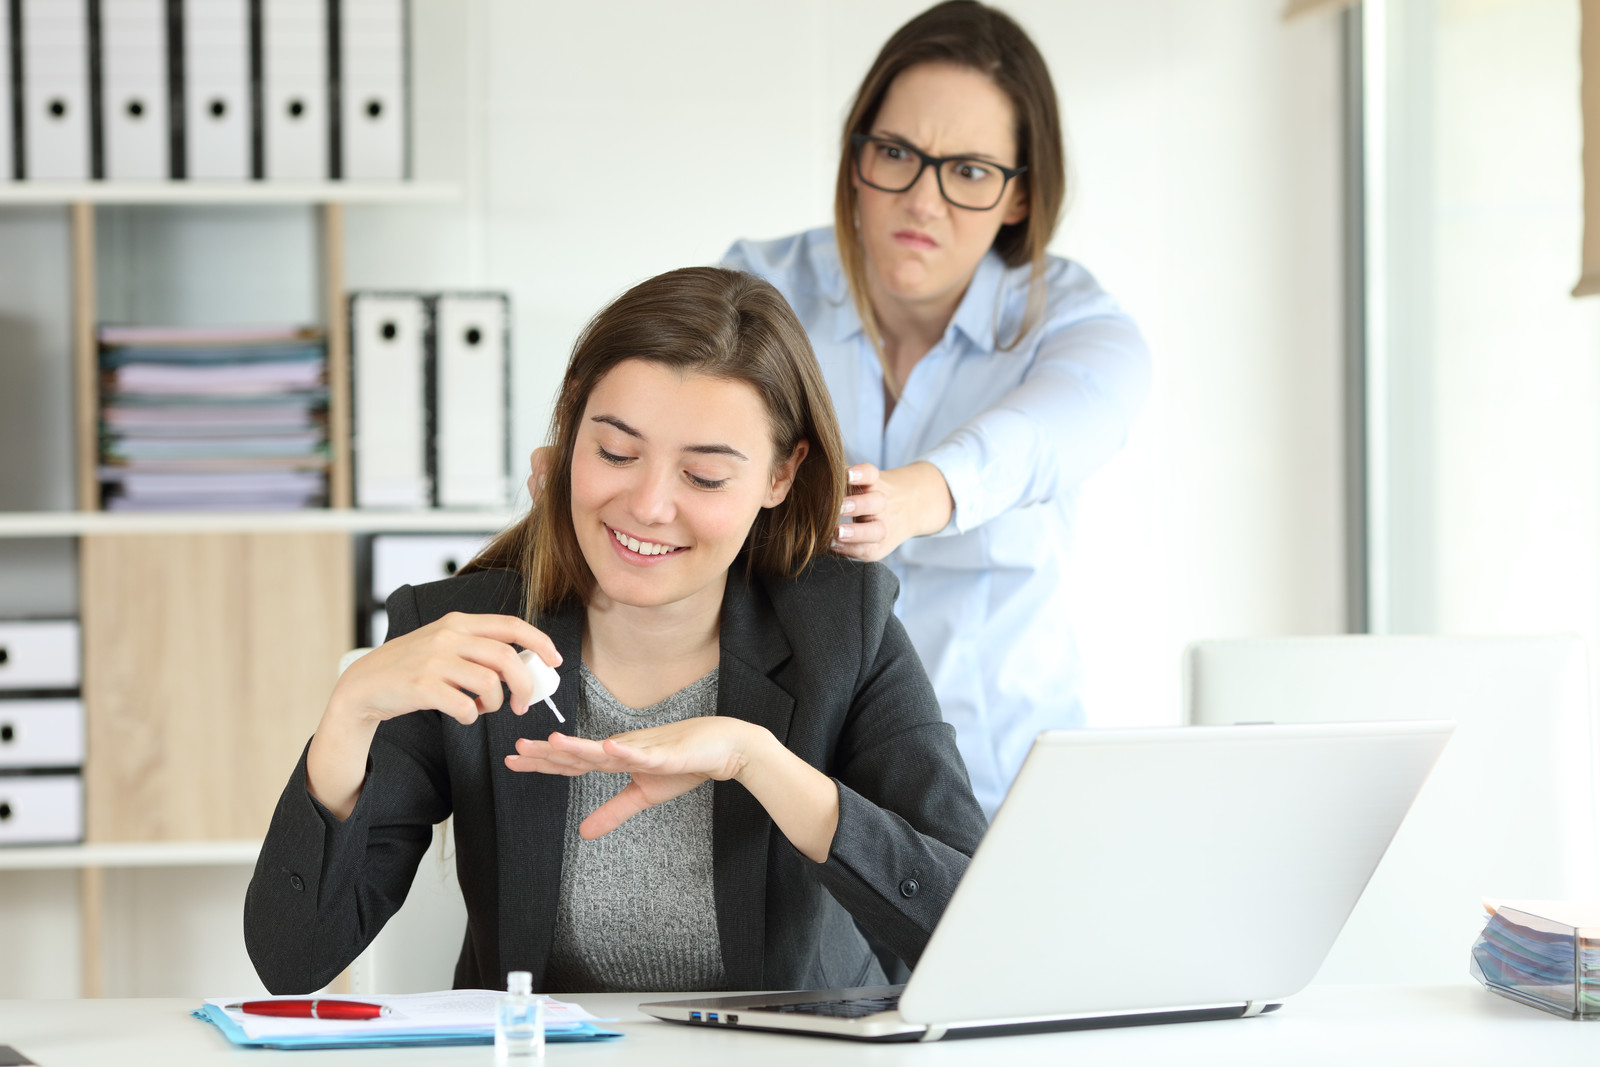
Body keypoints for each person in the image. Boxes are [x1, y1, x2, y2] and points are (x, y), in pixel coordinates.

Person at [243, 267, 988, 996]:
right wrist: (348, 714)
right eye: (616, 453)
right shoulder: (467, 635)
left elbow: (974, 922)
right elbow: (293, 958)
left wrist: (759, 762)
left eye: (703, 476)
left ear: (780, 477)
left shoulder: (842, 628)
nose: (649, 505)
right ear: (570, 428)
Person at [721, 1, 1152, 818]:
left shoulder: (1080, 324)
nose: (924, 200)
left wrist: (921, 495)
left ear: (1020, 196)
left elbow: (1052, 431)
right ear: (857, 158)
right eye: (897, 154)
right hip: (796, 789)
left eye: (969, 170)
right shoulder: (761, 289)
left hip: (1001, 793)